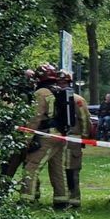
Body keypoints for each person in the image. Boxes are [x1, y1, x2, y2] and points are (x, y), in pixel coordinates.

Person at [20, 64, 70, 209]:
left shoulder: (41, 93)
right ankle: (61, 200)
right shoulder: (58, 91)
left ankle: (26, 200)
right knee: (57, 169)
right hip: (60, 135)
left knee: (31, 167)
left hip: (46, 136)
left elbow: (35, 118)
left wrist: (26, 139)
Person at [58, 72, 92, 208]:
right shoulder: (76, 99)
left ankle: (71, 199)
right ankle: (68, 199)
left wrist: (83, 137)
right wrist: (84, 137)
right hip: (65, 140)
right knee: (64, 171)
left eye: (63, 83)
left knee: (68, 171)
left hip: (67, 139)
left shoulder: (75, 100)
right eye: (60, 83)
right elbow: (85, 119)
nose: (61, 85)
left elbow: (84, 119)